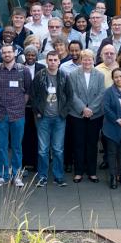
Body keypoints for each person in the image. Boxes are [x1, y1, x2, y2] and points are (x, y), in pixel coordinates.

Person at [0, 45, 31, 187]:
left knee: (17, 146)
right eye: (4, 52)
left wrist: (19, 105)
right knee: (1, 147)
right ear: (1, 55)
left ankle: (16, 176)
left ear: (14, 53)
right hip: (0, 113)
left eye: (9, 52)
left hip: (18, 114)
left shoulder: (23, 70)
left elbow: (27, 92)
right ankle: (2, 176)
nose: (7, 54)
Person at [31, 50, 73, 187]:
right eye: (50, 60)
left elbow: (70, 96)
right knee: (42, 149)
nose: (53, 62)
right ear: (46, 61)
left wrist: (64, 113)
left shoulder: (64, 76)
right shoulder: (40, 76)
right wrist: (37, 111)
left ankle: (58, 176)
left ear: (59, 61)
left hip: (59, 118)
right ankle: (42, 176)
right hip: (43, 118)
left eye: (55, 60)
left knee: (58, 149)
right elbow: (33, 95)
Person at [67, 49, 105, 183]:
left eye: (89, 59)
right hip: (77, 114)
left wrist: (91, 109)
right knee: (78, 143)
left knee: (92, 143)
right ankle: (78, 172)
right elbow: (72, 94)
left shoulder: (100, 75)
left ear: (93, 60)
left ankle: (92, 172)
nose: (87, 62)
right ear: (80, 60)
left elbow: (101, 94)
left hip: (95, 115)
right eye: (84, 59)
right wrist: (83, 109)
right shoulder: (73, 74)